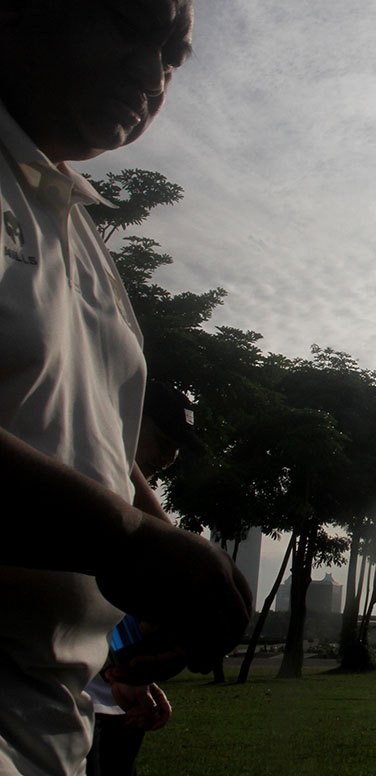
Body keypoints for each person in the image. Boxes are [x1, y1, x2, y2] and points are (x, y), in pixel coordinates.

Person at [0, 3, 252, 773]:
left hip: (52, 718)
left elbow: (95, 444)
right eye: (122, 24)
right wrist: (127, 541)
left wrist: (168, 552)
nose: (152, 74)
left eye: (173, 55)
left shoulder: (80, 238)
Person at [86, 382, 207, 776]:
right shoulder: (85, 490)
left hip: (113, 700)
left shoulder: (131, 509)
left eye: (177, 447)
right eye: (162, 440)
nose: (169, 456)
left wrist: (123, 673)